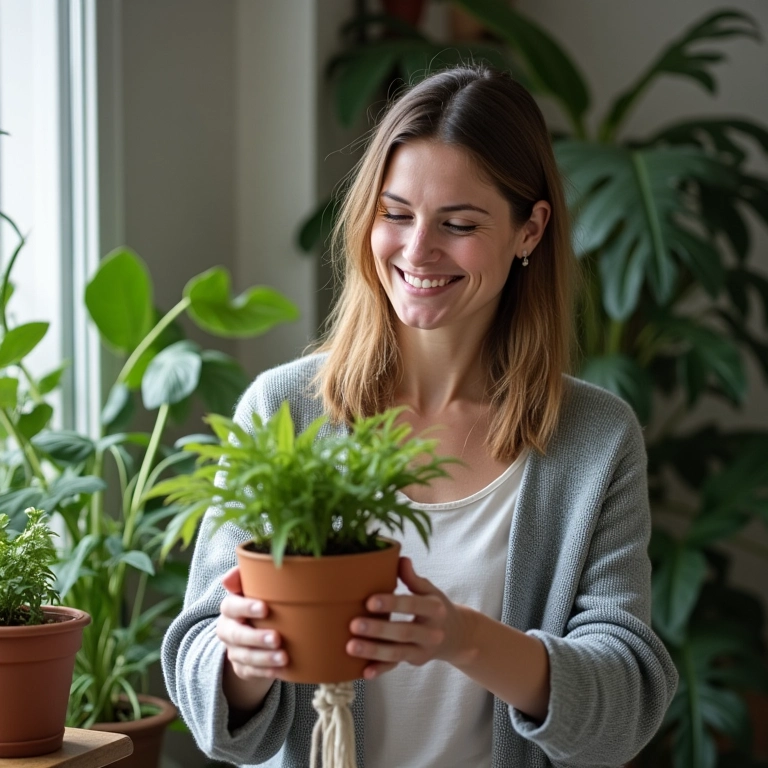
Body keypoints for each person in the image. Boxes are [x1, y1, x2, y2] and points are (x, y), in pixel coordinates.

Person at [162, 65, 677, 768]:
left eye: (458, 224)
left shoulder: (594, 439)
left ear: (530, 230)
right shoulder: (283, 409)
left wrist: (461, 638)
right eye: (394, 214)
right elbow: (204, 688)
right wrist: (246, 659)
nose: (417, 250)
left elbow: (622, 707)